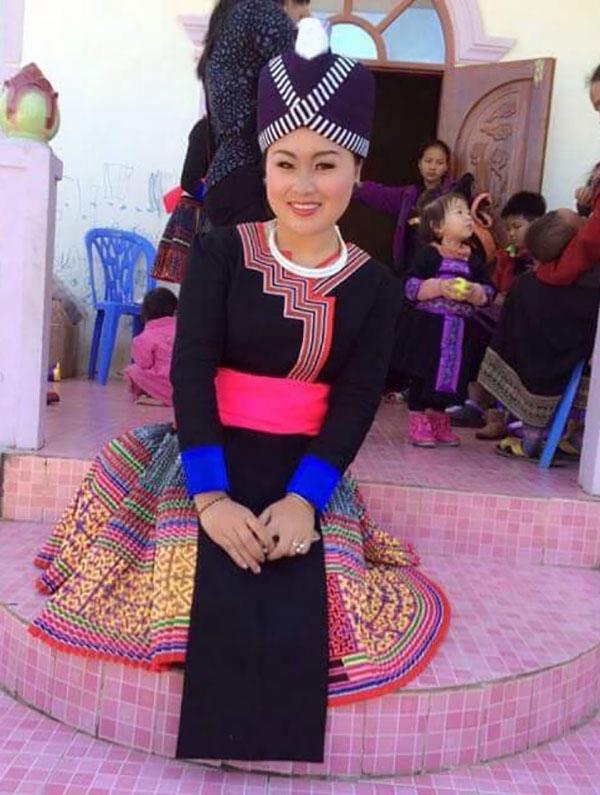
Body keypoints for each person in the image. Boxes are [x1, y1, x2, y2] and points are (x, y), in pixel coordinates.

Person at [30, 20, 449, 764]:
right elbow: (191, 372)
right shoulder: (222, 251)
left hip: (305, 468)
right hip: (206, 453)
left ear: (357, 168)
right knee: (188, 573)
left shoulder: (376, 288)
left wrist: (305, 500)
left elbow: (356, 402)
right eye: (285, 163)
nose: (304, 186)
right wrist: (211, 499)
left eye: (326, 164)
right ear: (264, 166)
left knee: (308, 589)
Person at [479, 197, 600, 461]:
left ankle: (532, 432)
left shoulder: (532, 284)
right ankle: (578, 435)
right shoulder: (585, 280)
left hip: (545, 356)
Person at [394, 192, 495, 447]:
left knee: (451, 377)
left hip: (459, 331)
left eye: (467, 212)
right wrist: (439, 287)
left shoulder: (474, 260)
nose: (468, 217)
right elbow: (410, 285)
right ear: (438, 227)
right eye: (459, 212)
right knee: (423, 373)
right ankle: (418, 418)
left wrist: (474, 292)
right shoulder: (429, 255)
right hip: (429, 329)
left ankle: (438, 419)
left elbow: (489, 291)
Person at [199, 0, 310, 227]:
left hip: (225, 176)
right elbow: (301, 87)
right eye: (299, 15)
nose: (295, 23)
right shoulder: (262, 13)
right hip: (248, 179)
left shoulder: (231, 15)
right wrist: (310, 30)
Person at [452, 191, 547, 440]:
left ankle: (502, 413)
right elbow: (495, 291)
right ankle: (473, 401)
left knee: (506, 335)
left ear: (538, 224)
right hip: (502, 315)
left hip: (529, 322)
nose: (512, 233)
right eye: (508, 228)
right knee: (470, 321)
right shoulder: (506, 257)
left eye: (517, 227)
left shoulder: (544, 258)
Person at [353, 139, 453, 273]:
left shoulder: (453, 195)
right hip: (411, 268)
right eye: (428, 161)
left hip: (442, 268)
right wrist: (354, 186)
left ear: (446, 167)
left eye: (439, 163)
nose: (432, 167)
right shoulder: (408, 195)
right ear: (419, 164)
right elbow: (381, 194)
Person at [152, 118, 211, 283]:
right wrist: (216, 198)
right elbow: (189, 180)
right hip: (199, 215)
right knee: (196, 281)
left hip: (216, 213)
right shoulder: (205, 129)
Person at [123, 288, 178, 406]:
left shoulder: (145, 337)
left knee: (132, 370)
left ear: (145, 312)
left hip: (168, 385)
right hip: (191, 385)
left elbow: (144, 364)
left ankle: (157, 397)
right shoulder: (183, 328)